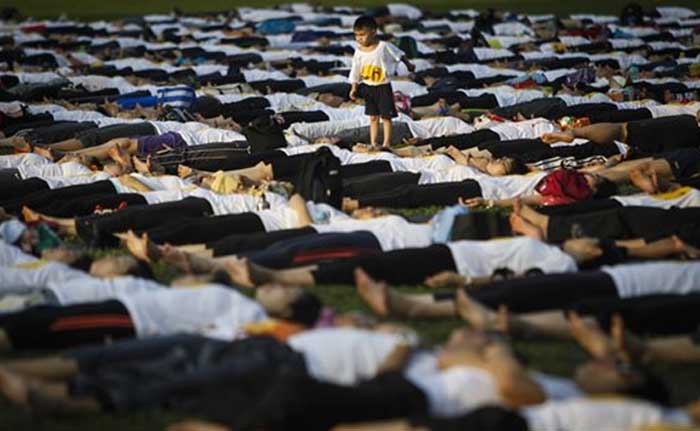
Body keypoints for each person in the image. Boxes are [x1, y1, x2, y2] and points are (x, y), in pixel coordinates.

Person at [349, 16, 416, 149]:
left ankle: (386, 143)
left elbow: (399, 54)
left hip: (383, 87)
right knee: (373, 117)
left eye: (362, 35)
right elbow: (355, 70)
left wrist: (409, 65)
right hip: (369, 88)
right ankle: (373, 142)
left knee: (386, 117)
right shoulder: (358, 52)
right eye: (356, 35)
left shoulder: (383, 46)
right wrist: (354, 87)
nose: (359, 38)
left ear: (373, 32)